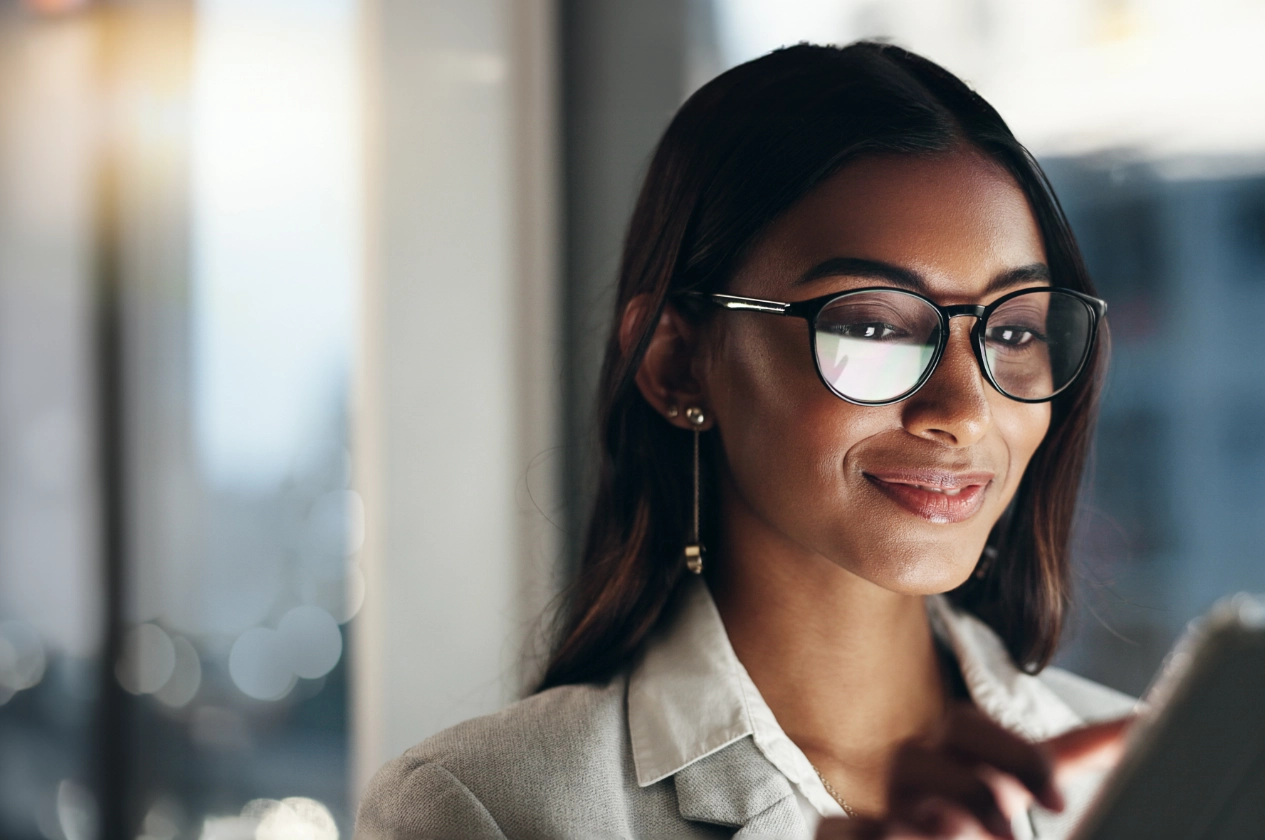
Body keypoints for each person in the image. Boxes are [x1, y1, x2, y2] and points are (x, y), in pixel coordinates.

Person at [357, 42, 1135, 840]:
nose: (964, 410)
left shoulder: (1151, 777)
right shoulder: (488, 808)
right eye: (871, 326)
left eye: (1012, 331)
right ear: (676, 364)